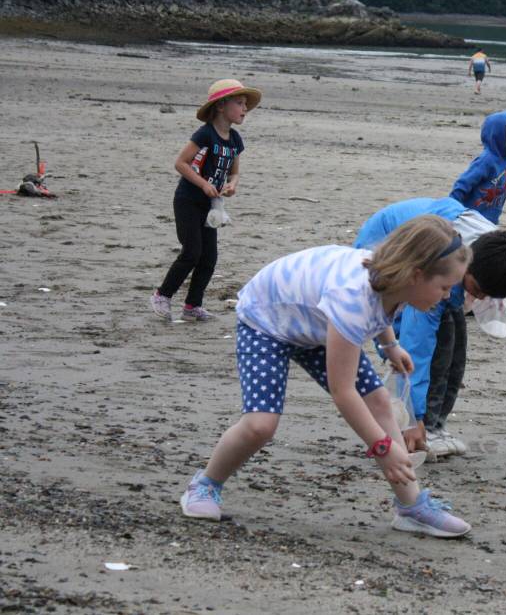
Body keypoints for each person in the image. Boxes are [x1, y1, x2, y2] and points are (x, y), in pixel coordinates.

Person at [179, 215, 474, 538]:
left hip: (318, 323)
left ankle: (412, 507)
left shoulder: (398, 281)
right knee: (260, 425)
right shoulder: (352, 298)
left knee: (379, 402)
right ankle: (205, 484)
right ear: (416, 275)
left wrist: (390, 345)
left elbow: (382, 308)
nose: (447, 296)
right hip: (267, 321)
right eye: (444, 287)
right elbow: (342, 391)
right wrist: (381, 446)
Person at [355, 197, 506, 459]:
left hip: (427, 249)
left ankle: (436, 426)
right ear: (466, 268)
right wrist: (415, 419)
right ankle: (413, 425)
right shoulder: (435, 273)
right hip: (385, 258)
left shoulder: (493, 249)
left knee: (455, 345)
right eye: (477, 291)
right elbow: (416, 349)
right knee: (435, 347)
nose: (480, 299)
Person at [151, 79, 260, 322]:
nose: (245, 109)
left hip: (212, 206)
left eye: (246, 105)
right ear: (221, 106)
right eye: (239, 103)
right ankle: (162, 295)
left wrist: (232, 185)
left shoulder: (234, 139)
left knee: (209, 257)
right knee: (192, 252)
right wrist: (203, 184)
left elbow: (234, 171)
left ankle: (192, 306)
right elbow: (180, 163)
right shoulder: (205, 134)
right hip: (188, 201)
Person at [450, 110, 506, 224]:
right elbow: (463, 184)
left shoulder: (504, 162)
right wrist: (450, 208)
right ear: (499, 138)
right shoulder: (486, 161)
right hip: (471, 219)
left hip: (490, 221)